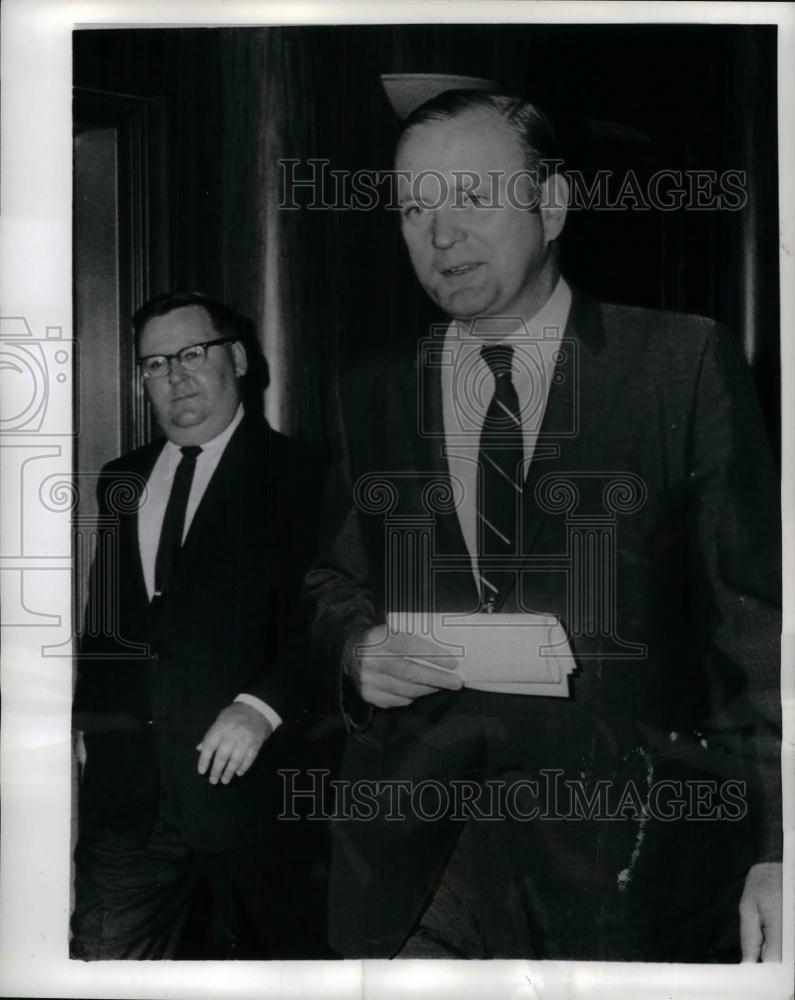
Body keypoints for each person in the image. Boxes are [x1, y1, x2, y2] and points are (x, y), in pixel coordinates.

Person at [304, 91, 782, 962]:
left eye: (471, 197)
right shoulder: (368, 388)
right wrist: (352, 647)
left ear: (551, 205)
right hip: (413, 861)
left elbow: (756, 627)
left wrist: (781, 848)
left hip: (619, 863)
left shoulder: (680, 363)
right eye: (415, 208)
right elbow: (332, 578)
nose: (439, 234)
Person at [71, 291, 326, 959]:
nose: (175, 376)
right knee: (104, 965)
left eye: (191, 354)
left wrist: (261, 707)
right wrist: (90, 724)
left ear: (236, 358)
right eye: (155, 363)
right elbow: (110, 623)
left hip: (255, 798)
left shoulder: (305, 476)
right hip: (130, 803)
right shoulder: (121, 479)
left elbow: (329, 626)